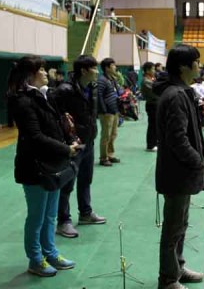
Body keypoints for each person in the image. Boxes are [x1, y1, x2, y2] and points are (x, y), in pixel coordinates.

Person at [7, 55, 79, 277]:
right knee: (36, 217)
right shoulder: (22, 101)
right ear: (30, 75)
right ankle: (36, 259)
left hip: (52, 165)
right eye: (41, 69)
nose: (46, 72)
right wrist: (65, 149)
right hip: (35, 167)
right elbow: (35, 136)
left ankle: (51, 253)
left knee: (50, 216)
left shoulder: (45, 96)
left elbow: (54, 126)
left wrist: (69, 140)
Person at [154, 44, 204, 289]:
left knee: (180, 225)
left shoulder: (181, 92)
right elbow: (177, 139)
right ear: (183, 67)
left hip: (182, 173)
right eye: (196, 62)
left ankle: (177, 268)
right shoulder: (176, 96)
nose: (200, 66)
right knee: (173, 229)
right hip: (177, 173)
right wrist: (197, 160)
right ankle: (168, 279)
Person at [53, 55, 107, 238]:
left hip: (88, 141)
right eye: (94, 68)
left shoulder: (92, 87)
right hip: (73, 145)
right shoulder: (65, 90)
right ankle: (63, 221)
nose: (97, 72)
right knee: (67, 183)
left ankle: (85, 213)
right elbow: (56, 117)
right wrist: (67, 141)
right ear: (84, 70)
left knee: (85, 179)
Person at [97, 58, 121, 167]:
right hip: (106, 112)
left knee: (113, 134)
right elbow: (99, 96)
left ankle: (110, 155)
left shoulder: (112, 79)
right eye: (113, 65)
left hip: (114, 110)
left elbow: (116, 92)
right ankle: (103, 158)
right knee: (106, 135)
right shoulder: (102, 80)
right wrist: (104, 110)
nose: (115, 67)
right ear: (107, 68)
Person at [141, 61, 159, 151]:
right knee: (152, 126)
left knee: (156, 125)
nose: (154, 71)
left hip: (156, 104)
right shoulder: (146, 81)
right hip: (152, 104)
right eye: (153, 69)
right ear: (147, 70)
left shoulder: (152, 78)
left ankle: (155, 142)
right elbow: (156, 92)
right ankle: (151, 145)